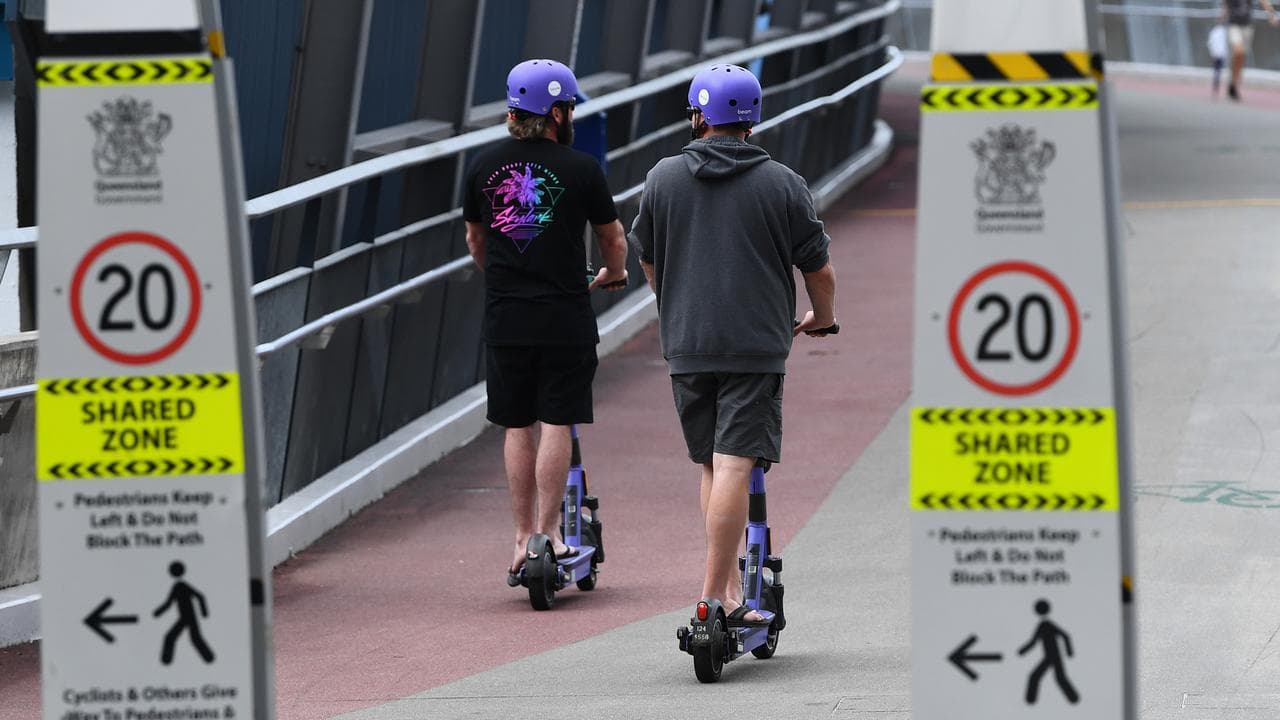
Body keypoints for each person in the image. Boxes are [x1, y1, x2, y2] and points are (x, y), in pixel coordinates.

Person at [628, 64, 837, 624]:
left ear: (698, 115)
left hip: (688, 343)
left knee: (712, 466)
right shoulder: (783, 183)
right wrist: (823, 317)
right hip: (755, 346)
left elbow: (646, 254)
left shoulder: (663, 178)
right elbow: (818, 268)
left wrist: (671, 298)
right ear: (753, 117)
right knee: (735, 464)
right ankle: (712, 595)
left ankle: (723, 591)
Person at [462, 58, 629, 586]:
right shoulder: (582, 168)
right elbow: (613, 240)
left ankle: (519, 536)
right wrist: (614, 274)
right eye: (570, 106)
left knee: (517, 423)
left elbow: (475, 241)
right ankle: (551, 532)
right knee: (557, 419)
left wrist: (505, 277)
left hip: (506, 315)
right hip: (564, 315)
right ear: (556, 113)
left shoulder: (482, 167)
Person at [1222, 0, 1280, 101]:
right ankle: (1233, 80)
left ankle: (1234, 83)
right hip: (1233, 24)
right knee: (1238, 51)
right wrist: (1223, 15)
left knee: (1241, 56)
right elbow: (1225, 4)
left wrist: (1272, 15)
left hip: (1247, 25)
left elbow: (1264, 1)